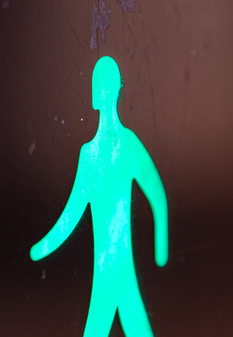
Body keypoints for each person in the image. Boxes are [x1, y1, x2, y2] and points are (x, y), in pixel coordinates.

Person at [31, 56, 168, 337]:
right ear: (118, 90)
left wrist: (40, 248)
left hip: (108, 269)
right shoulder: (119, 146)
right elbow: (158, 198)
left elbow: (69, 218)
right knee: (130, 324)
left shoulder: (94, 155)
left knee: (108, 325)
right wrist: (160, 246)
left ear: (95, 96)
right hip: (116, 268)